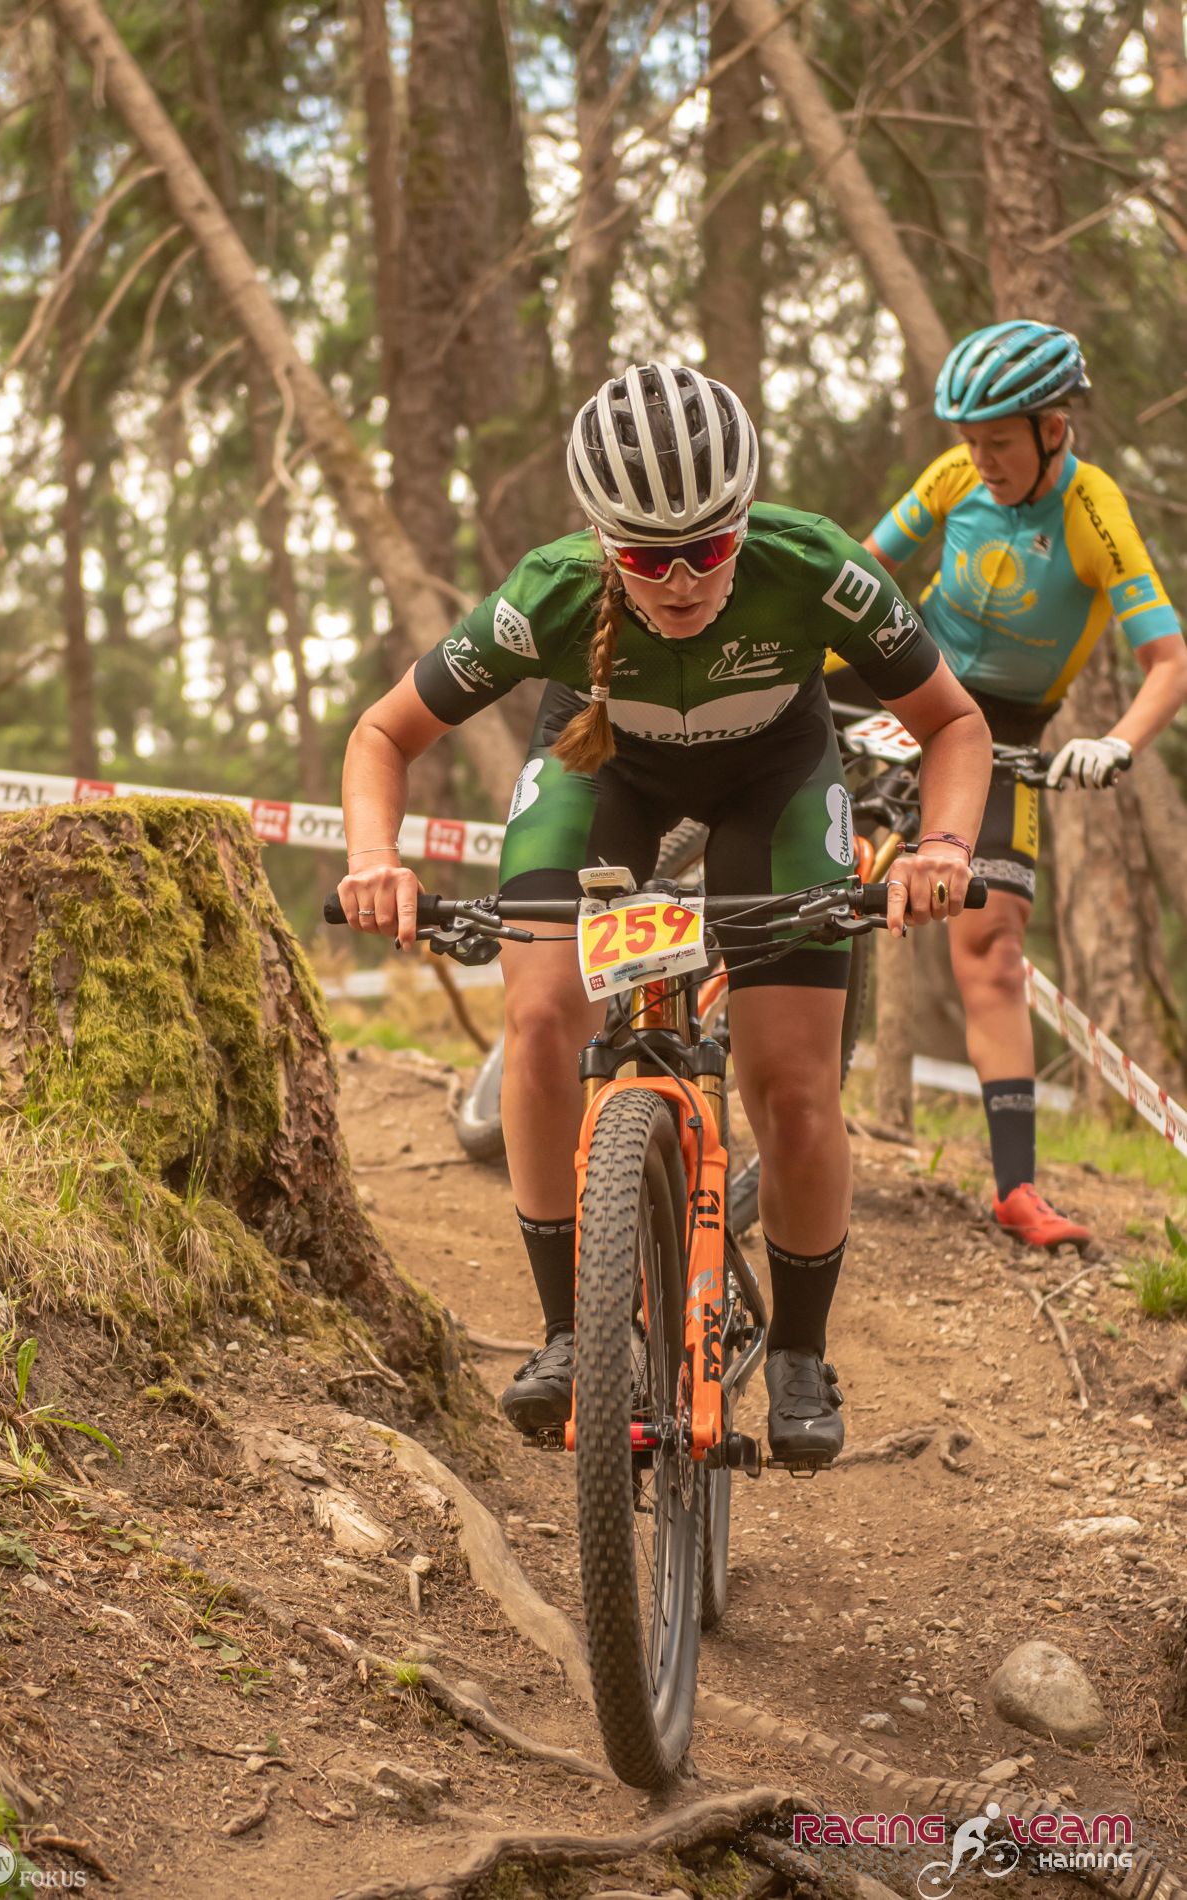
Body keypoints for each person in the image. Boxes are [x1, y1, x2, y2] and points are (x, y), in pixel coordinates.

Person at [339, 363, 990, 1463]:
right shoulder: (550, 590)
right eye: (647, 557)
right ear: (604, 543)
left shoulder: (813, 564)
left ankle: (799, 1354)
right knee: (540, 1020)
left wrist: (943, 848)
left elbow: (953, 724)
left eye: (709, 546)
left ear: (746, 519)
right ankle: (568, 1333)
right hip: (602, 775)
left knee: (792, 1083)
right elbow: (381, 734)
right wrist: (374, 861)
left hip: (774, 787)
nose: (682, 579)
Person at [862, 320, 1187, 1250]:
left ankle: (1015, 1190)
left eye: (997, 441)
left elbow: (1167, 661)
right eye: (969, 441)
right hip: (908, 679)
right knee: (823, 862)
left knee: (992, 949)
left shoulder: (1092, 510)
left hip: (1006, 729)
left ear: (1052, 428)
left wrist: (1114, 744)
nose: (980, 460)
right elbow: (864, 569)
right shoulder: (953, 476)